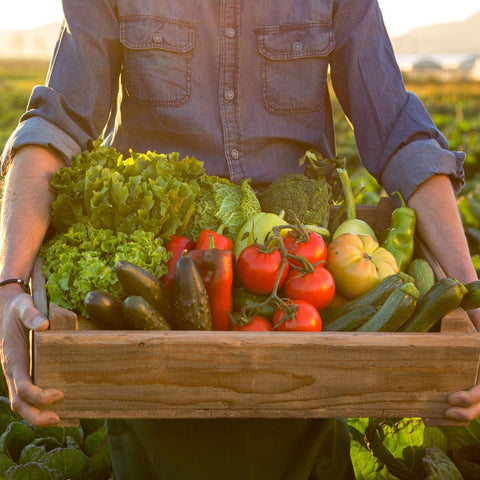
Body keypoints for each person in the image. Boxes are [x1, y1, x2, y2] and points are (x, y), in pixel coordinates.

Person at [1, 0, 480, 478]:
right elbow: (55, 125)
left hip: (299, 285)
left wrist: (469, 295)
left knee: (303, 446)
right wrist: (9, 287)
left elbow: (399, 132)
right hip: (160, 294)